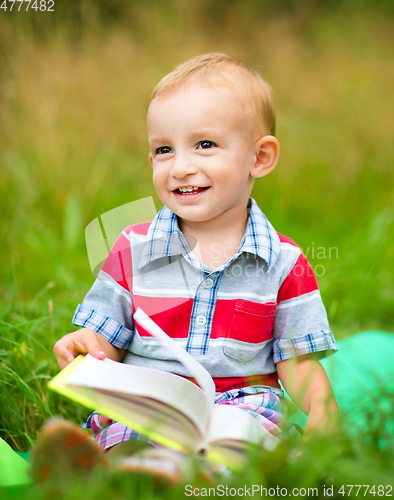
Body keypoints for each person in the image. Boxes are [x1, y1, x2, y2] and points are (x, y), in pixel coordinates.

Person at [34, 53, 341, 483]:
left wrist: (323, 415)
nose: (179, 167)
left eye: (205, 145)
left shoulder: (284, 263)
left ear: (260, 157)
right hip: (154, 399)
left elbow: (298, 362)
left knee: (244, 447)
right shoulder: (132, 249)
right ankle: (124, 472)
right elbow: (107, 337)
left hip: (242, 408)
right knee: (127, 433)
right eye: (164, 149)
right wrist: (86, 346)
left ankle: (187, 479)